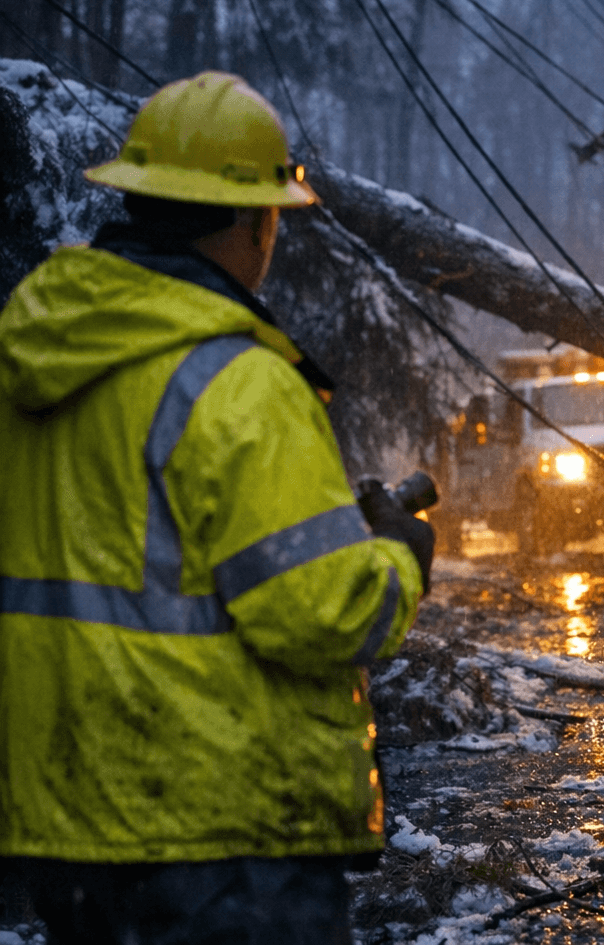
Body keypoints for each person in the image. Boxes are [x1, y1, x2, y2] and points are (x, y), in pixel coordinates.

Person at [0, 72, 434, 943]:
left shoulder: (35, 357)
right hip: (222, 832)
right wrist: (396, 558)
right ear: (251, 221)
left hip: (66, 825)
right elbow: (318, 613)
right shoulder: (240, 382)